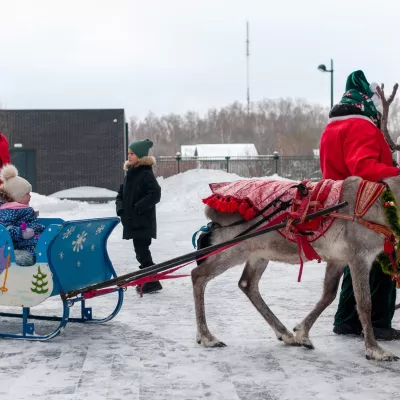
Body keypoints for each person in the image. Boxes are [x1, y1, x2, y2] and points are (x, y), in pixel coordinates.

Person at [319, 70, 400, 340]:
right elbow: (363, 167)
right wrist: (396, 173)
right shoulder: (360, 126)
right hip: (369, 207)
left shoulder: (332, 128)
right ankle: (377, 322)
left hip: (342, 207)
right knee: (382, 260)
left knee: (355, 263)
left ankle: (346, 319)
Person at [116, 139, 162, 294]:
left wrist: (137, 208)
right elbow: (120, 194)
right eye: (128, 153)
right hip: (131, 220)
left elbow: (155, 194)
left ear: (141, 156)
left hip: (142, 221)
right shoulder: (130, 174)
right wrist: (121, 210)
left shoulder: (145, 174)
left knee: (142, 250)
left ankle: (152, 280)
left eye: (132, 153)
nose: (129, 156)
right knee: (140, 251)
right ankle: (150, 279)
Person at [0, 164, 44, 266]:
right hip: (22, 247)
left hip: (33, 243)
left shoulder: (23, 209)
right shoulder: (8, 211)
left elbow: (32, 223)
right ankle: (15, 261)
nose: (30, 196)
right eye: (27, 193)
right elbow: (4, 230)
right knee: (27, 258)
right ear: (17, 196)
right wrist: (21, 233)